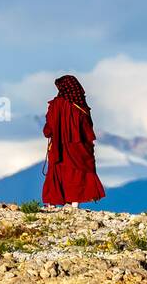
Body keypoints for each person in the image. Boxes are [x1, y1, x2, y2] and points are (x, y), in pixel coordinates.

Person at [42, 74, 106, 208]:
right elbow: (88, 128)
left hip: (59, 148)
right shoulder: (81, 106)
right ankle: (75, 203)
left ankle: (53, 203)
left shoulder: (55, 105)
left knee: (58, 171)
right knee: (78, 173)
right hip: (79, 148)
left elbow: (48, 129)